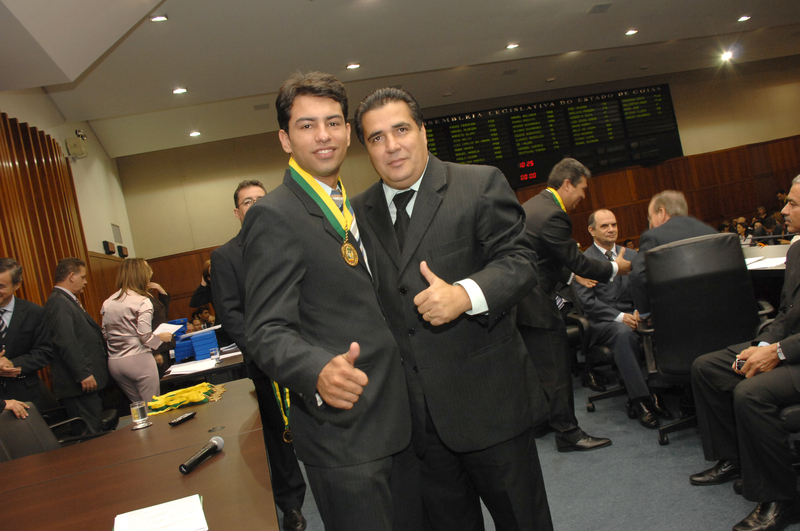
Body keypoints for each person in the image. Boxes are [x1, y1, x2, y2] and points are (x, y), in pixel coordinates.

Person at [352, 87, 552, 531]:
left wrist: (464, 295)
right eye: (377, 137)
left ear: (423, 132)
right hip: (417, 426)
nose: (392, 145)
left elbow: (520, 262)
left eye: (401, 130)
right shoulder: (356, 214)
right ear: (367, 148)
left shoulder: (478, 184)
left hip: (491, 406)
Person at [243, 72, 418, 531]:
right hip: (344, 435)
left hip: (396, 419)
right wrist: (316, 369)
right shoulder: (273, 215)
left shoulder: (352, 206)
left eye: (334, 122)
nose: (324, 135)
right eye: (307, 125)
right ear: (285, 139)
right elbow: (265, 330)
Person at [690, 175, 800, 531]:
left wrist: (778, 352)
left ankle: (782, 500)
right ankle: (737, 461)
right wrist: (763, 346)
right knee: (708, 367)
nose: (785, 210)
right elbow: (784, 315)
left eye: (793, 204)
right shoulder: (797, 250)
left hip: (795, 353)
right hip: (788, 346)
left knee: (750, 393)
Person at [212, 179, 308, 531]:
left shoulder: (292, 239)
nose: (254, 205)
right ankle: (291, 504)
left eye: (260, 199)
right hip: (266, 362)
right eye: (247, 202)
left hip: (305, 355)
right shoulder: (225, 256)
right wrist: (267, 351)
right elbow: (230, 314)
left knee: (318, 425)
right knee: (280, 435)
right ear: (237, 213)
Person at [517, 158, 628, 453]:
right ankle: (568, 433)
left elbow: (542, 255)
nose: (583, 196)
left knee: (537, 367)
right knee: (556, 367)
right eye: (582, 189)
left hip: (520, 300)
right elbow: (578, 260)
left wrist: (570, 275)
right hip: (536, 301)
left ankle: (542, 420)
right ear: (567, 184)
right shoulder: (554, 214)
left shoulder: (531, 206)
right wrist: (615, 268)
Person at [572, 210, 672, 428]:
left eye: (614, 224)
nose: (611, 229)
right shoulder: (584, 262)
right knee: (623, 333)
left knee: (663, 324)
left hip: (634, 315)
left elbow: (645, 290)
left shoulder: (632, 256)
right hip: (603, 322)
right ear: (591, 230)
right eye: (605, 226)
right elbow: (587, 303)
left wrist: (640, 311)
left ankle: (657, 390)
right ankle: (640, 400)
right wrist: (620, 317)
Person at [44, 258, 110, 433]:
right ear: (71, 276)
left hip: (86, 381)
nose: (86, 281)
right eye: (83, 277)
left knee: (96, 427)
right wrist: (83, 374)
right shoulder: (58, 302)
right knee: (91, 432)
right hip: (78, 384)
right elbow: (65, 341)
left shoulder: (68, 300)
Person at [630, 190, 716, 317]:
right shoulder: (711, 231)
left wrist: (644, 314)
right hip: (718, 311)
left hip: (677, 317)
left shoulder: (653, 237)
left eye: (650, 217)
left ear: (661, 212)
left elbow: (639, 275)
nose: (650, 224)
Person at [101, 258, 172, 403]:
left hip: (115, 362)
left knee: (139, 408)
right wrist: (161, 338)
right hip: (139, 360)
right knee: (152, 405)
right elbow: (145, 337)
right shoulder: (142, 301)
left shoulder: (108, 302)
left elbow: (105, 334)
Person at [0, 258, 53, 411]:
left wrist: (13, 364)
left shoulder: (34, 313)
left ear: (16, 285)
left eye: (1, 286)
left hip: (25, 394)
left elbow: (45, 352)